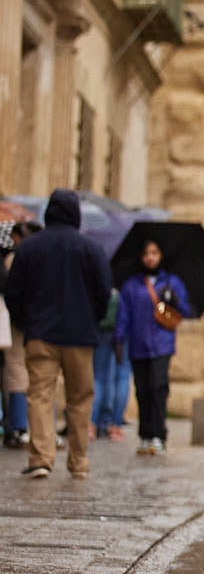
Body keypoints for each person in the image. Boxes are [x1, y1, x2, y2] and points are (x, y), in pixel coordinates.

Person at [4, 190, 111, 479]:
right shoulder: (90, 249)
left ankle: (41, 457)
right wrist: (92, 319)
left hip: (41, 333)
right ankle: (78, 461)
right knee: (79, 398)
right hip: (80, 336)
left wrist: (25, 321)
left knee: (39, 395)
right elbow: (104, 291)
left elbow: (13, 291)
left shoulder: (29, 248)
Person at [114, 239, 192, 456]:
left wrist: (174, 300)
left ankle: (159, 434)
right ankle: (145, 434)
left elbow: (184, 309)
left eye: (155, 252)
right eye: (146, 253)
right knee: (143, 390)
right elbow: (124, 314)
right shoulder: (131, 285)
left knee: (158, 387)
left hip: (162, 343)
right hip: (138, 344)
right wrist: (118, 338)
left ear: (161, 255)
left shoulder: (172, 282)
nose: (150, 257)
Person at [1, 221, 39, 450]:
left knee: (16, 372)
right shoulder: (40, 257)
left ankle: (17, 425)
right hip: (37, 324)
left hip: (18, 324)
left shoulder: (15, 259)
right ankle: (22, 425)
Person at [91, 288, 132, 441]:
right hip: (125, 328)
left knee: (99, 377)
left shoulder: (99, 268)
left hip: (102, 326)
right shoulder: (131, 279)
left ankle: (92, 423)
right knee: (122, 376)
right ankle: (115, 425)